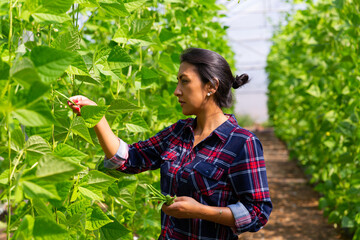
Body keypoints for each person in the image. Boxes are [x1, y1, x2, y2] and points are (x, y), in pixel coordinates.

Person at [68, 48, 272, 240]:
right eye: (178, 82)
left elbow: (257, 213)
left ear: (211, 86)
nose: (177, 91)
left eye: (184, 82)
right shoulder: (179, 132)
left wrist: (200, 211)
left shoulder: (242, 143)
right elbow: (129, 159)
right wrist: (97, 117)